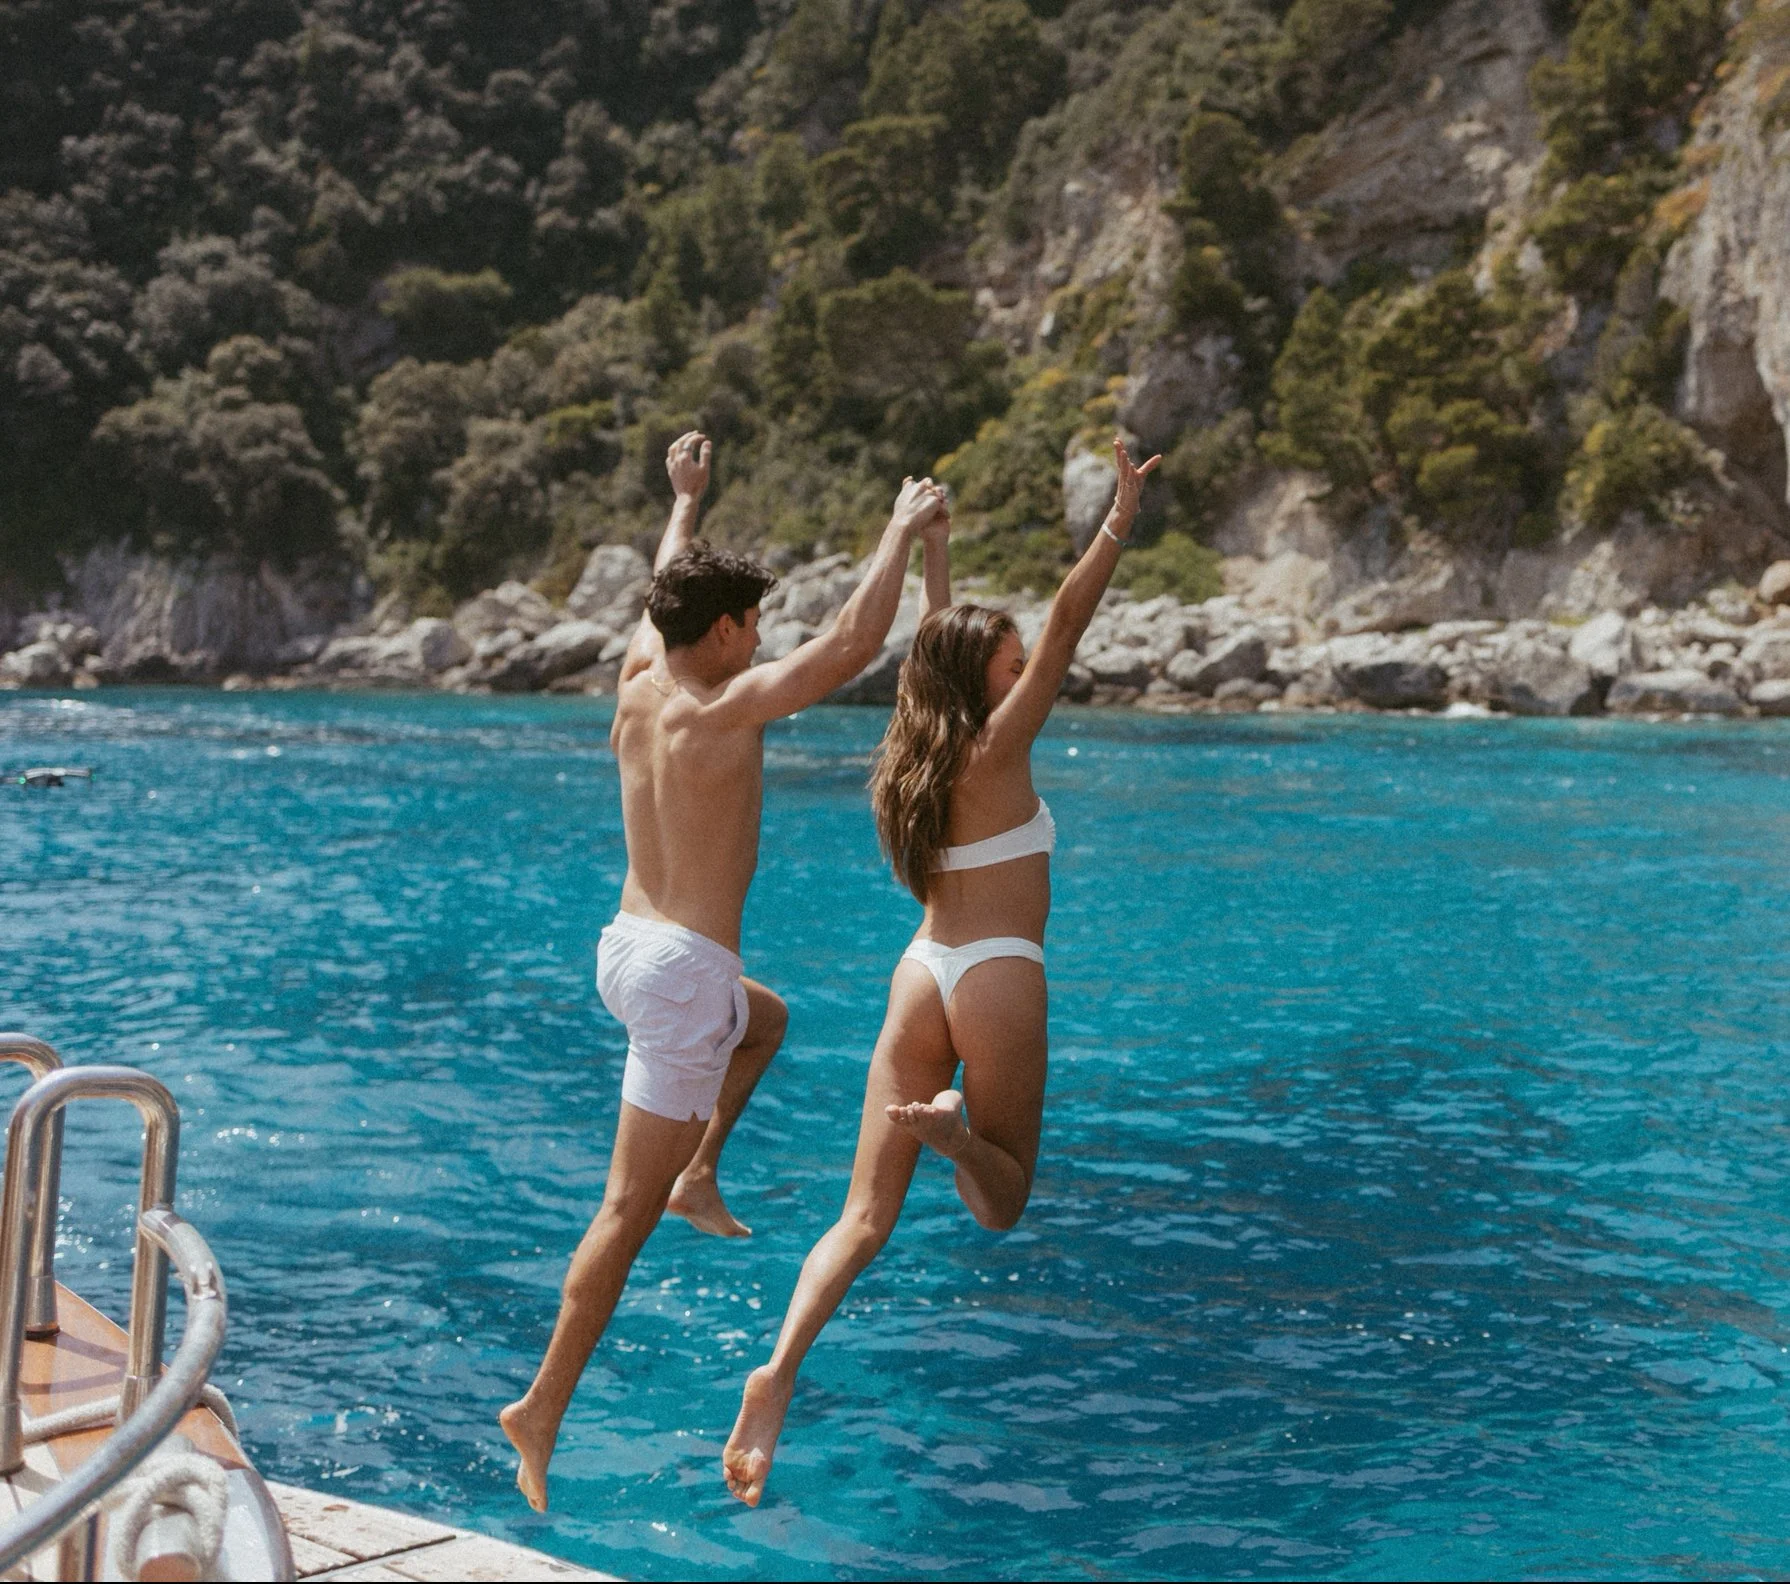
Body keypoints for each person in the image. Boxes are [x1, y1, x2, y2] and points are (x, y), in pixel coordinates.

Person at [500, 431, 948, 1511]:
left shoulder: (641, 677)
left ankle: (702, 1172)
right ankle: (542, 1407)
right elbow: (850, 646)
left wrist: (684, 501)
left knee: (767, 1022)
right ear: (725, 630)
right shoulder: (721, 705)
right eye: (749, 623)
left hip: (624, 949)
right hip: (683, 970)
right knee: (620, 1211)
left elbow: (667, 589)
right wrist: (895, 530)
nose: (760, 639)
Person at [721, 436, 1160, 1507]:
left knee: (861, 1218)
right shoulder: (1001, 747)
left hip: (924, 970)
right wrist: (1116, 522)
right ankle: (956, 1133)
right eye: (1006, 667)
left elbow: (937, 649)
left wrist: (935, 564)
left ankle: (775, 1373)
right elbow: (1063, 625)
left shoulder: (916, 752)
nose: (1024, 672)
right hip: (1001, 972)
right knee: (996, 1201)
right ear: (991, 685)